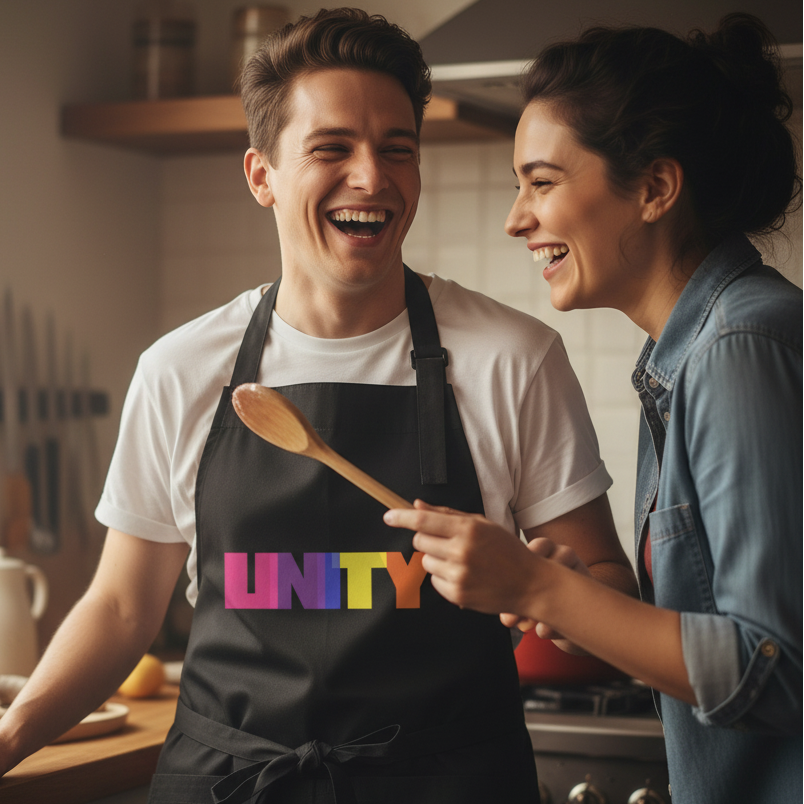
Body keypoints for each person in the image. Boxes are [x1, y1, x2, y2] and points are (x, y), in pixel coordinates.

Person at [0, 9, 638, 803]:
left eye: (397, 149)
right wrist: (11, 736)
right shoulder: (180, 370)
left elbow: (606, 587)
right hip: (229, 782)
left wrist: (557, 590)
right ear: (261, 175)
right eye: (331, 148)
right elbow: (123, 607)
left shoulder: (514, 358)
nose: (372, 177)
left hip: (447, 782)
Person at [384, 13, 803, 804]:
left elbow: (772, 668)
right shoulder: (689, 356)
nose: (517, 218)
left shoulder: (739, 348)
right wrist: (582, 600)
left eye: (541, 182)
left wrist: (543, 592)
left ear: (654, 189)